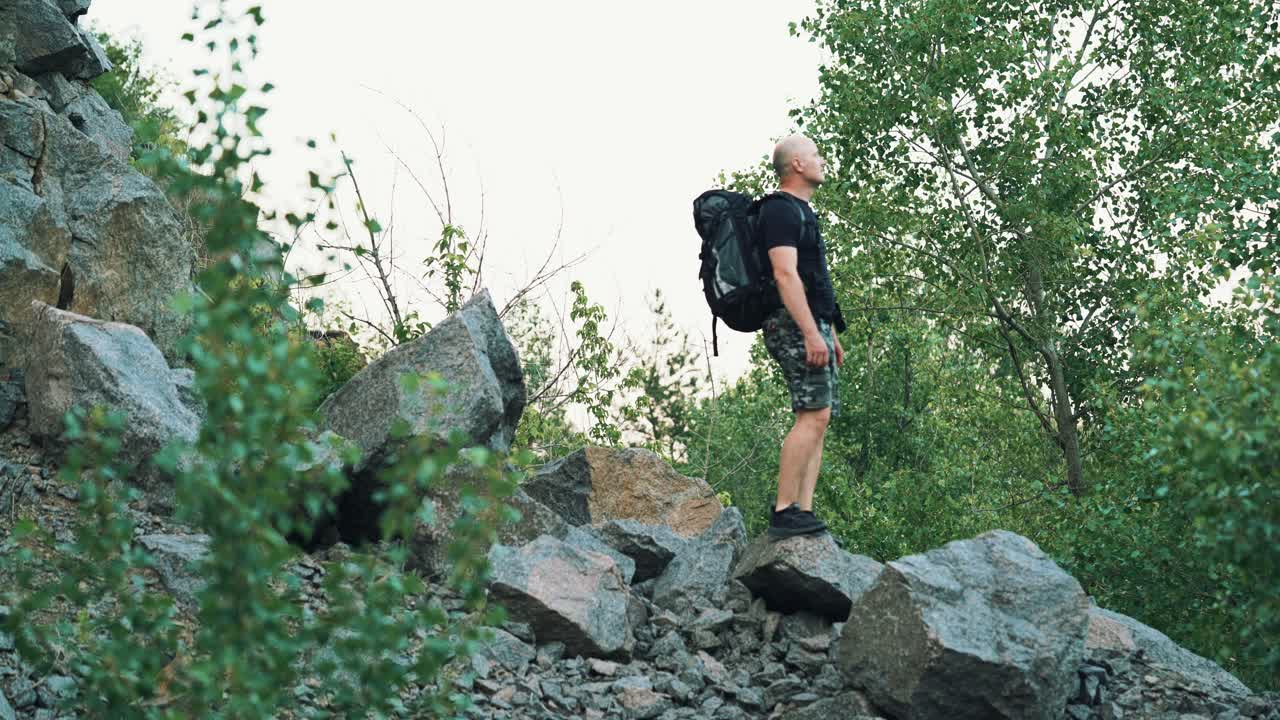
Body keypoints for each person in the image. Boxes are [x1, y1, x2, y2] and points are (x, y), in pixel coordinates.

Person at [758, 134, 846, 539]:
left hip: (813, 325)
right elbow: (785, 275)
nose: (822, 160)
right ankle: (784, 511)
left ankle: (803, 512)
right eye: (815, 154)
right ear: (796, 164)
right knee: (811, 415)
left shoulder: (802, 212)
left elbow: (812, 279)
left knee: (819, 417)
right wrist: (811, 333)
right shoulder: (779, 211)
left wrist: (828, 331)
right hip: (793, 324)